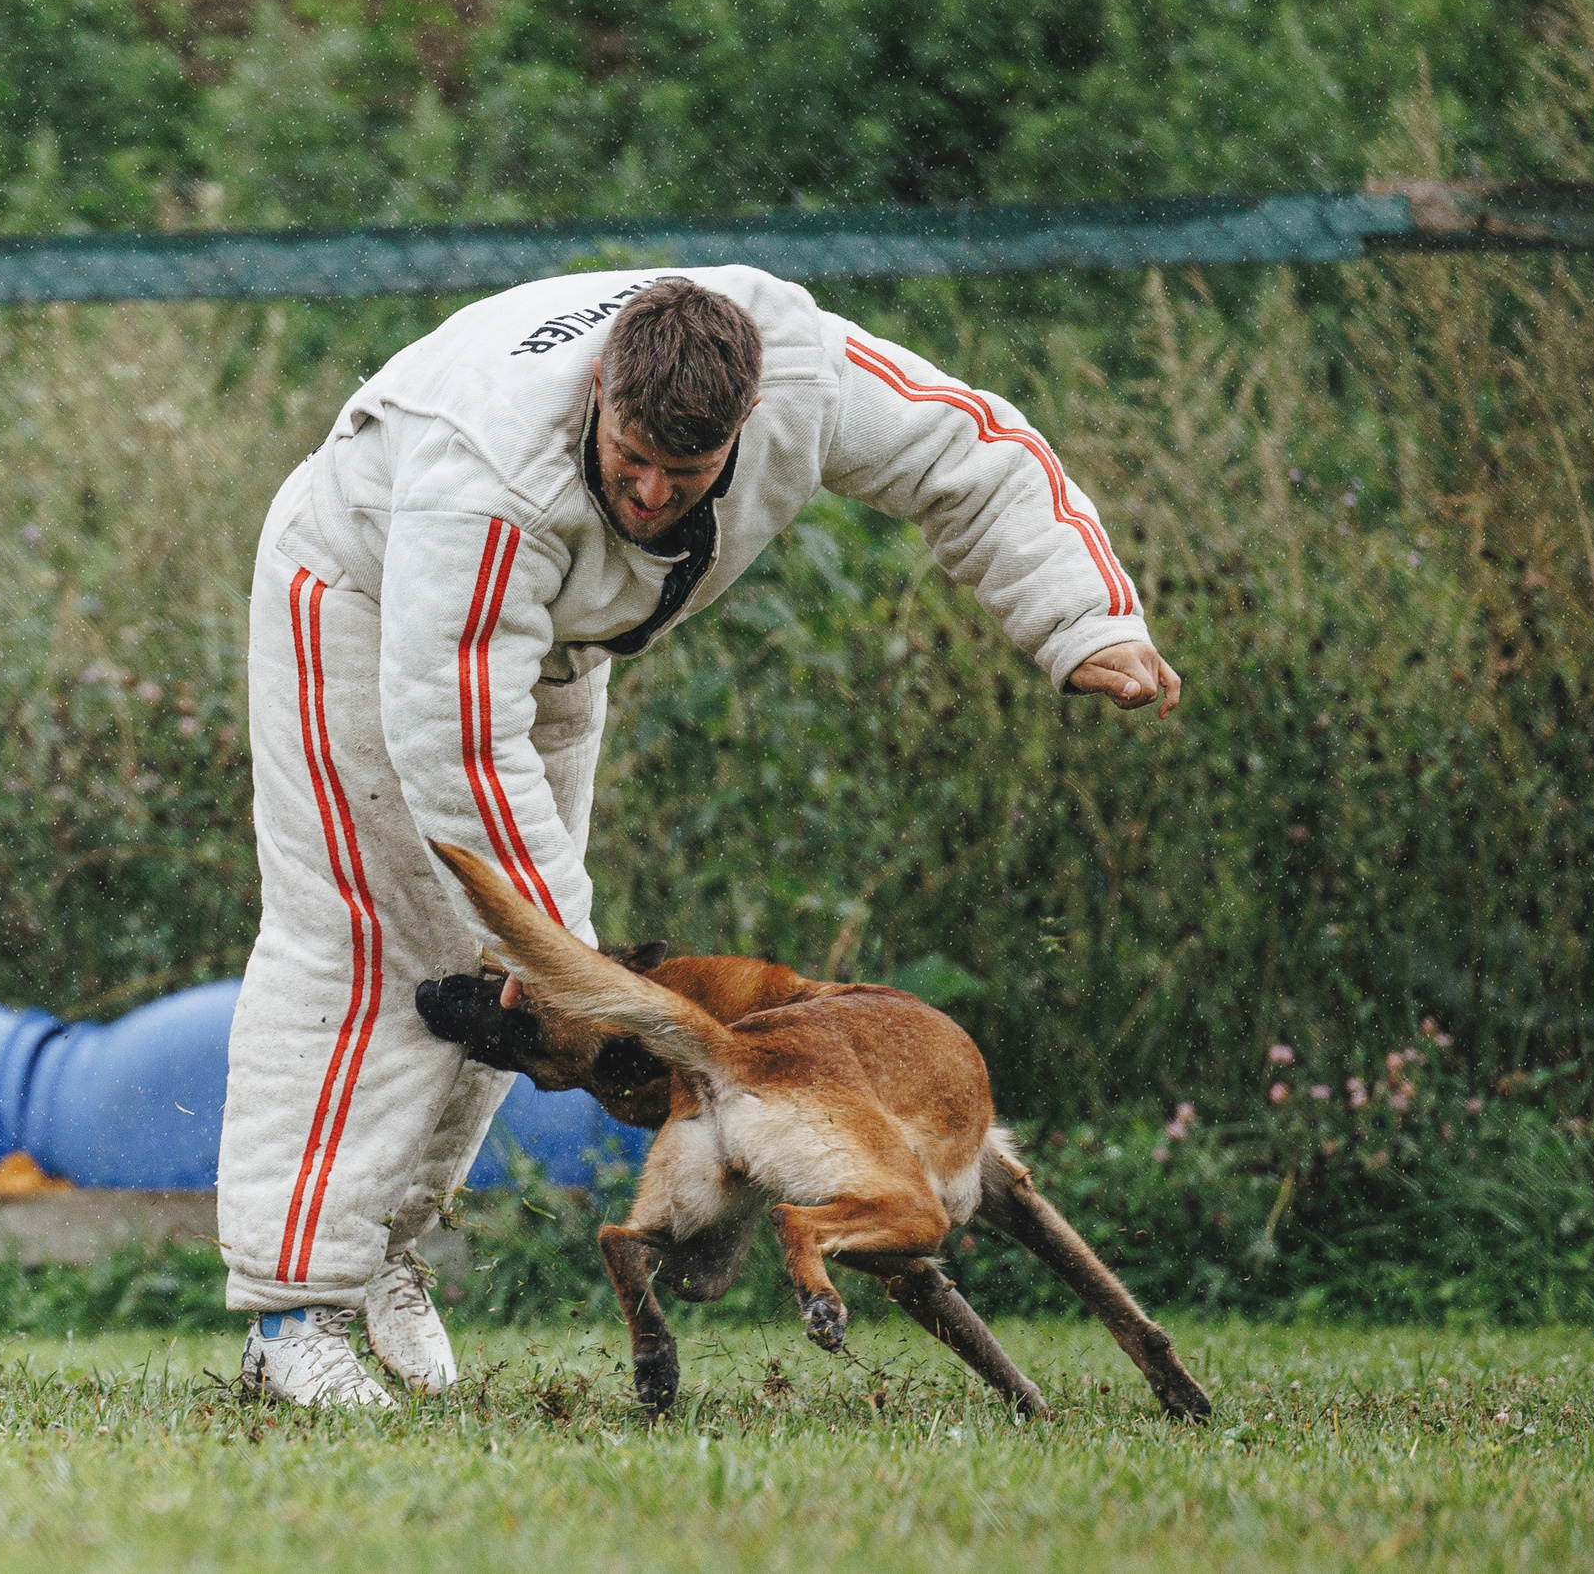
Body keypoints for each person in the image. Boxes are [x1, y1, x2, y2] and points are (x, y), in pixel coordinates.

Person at [217, 269, 1179, 1406]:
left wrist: (1084, 621)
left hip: (553, 635)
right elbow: (455, 743)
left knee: (501, 982)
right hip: (363, 600)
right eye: (629, 457)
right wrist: (565, 960)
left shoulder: (803, 370)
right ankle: (292, 1309)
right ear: (597, 391)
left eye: (688, 474)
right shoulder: (484, 475)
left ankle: (380, 1252)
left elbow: (973, 452)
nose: (650, 492)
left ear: (745, 420)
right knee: (370, 938)